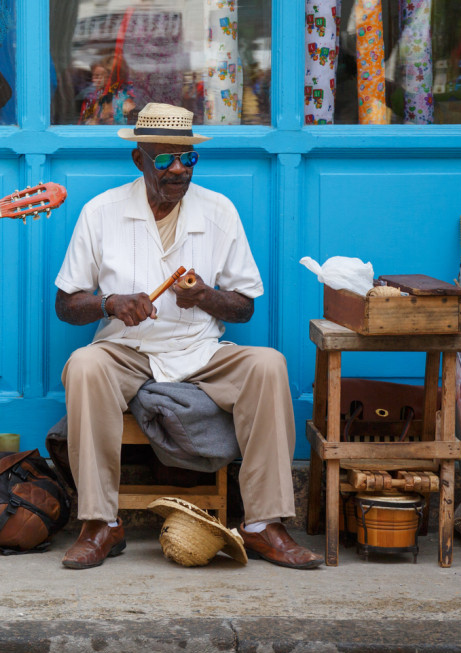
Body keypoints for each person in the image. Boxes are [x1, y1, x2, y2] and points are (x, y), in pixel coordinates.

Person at [53, 102, 323, 570]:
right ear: (139, 159)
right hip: (127, 350)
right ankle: (100, 522)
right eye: (164, 159)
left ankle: (263, 524)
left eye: (187, 159)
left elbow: (244, 306)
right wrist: (109, 304)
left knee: (268, 365)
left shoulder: (219, 211)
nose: (177, 169)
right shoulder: (101, 212)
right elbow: (66, 305)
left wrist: (205, 298)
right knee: (84, 365)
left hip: (201, 349)